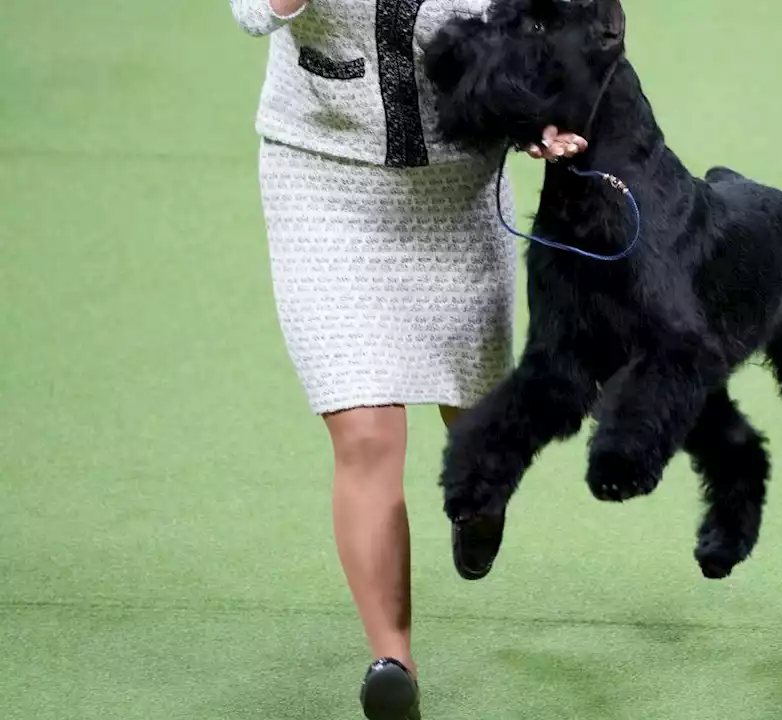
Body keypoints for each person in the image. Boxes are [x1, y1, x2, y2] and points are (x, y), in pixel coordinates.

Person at [227, 1, 586, 718]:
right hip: (320, 177)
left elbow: (544, 29)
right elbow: (249, 14)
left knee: (479, 434)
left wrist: (542, 116)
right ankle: (392, 662)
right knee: (365, 431)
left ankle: (480, 505)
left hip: (454, 195)